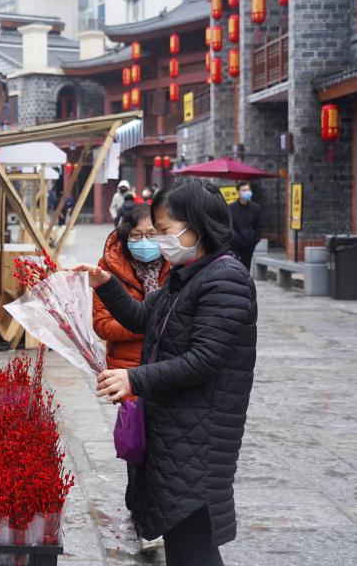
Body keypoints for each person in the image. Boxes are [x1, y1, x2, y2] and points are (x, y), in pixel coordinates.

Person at [75, 179, 257, 566]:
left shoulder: (225, 280)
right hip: (177, 428)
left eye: (165, 230)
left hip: (200, 433)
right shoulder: (185, 275)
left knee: (194, 543)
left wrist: (133, 378)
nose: (158, 240)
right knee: (182, 539)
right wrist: (106, 284)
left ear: (198, 226)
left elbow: (204, 359)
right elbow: (145, 317)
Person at [93, 204, 170, 372]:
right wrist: (151, 325)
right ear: (126, 237)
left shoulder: (176, 264)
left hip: (169, 363)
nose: (144, 241)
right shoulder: (108, 267)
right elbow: (103, 325)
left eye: (152, 234)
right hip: (126, 367)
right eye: (136, 235)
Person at [229, 181, 261, 271]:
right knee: (235, 268)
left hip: (249, 244)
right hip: (235, 244)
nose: (247, 192)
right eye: (244, 190)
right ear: (238, 192)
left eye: (248, 189)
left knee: (246, 268)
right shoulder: (230, 208)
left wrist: (254, 240)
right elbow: (229, 227)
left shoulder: (256, 208)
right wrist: (234, 239)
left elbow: (258, 227)